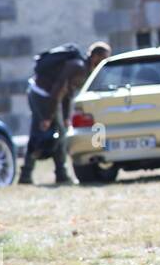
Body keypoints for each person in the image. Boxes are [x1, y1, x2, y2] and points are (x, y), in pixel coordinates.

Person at [21, 41, 111, 186]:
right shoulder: (78, 67)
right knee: (47, 133)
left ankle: (50, 173)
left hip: (44, 95)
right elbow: (58, 89)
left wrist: (65, 117)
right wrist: (48, 117)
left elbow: (67, 93)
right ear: (95, 57)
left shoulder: (83, 69)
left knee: (53, 133)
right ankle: (54, 174)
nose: (104, 62)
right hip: (42, 95)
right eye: (104, 58)